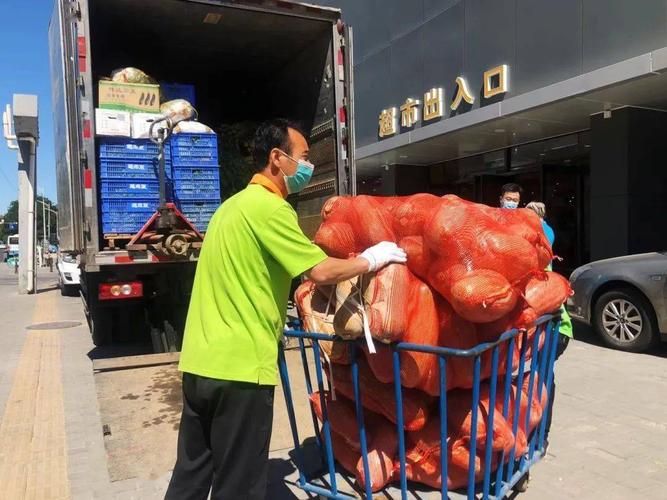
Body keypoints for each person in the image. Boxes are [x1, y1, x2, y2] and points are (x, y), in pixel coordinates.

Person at [165, 119, 407, 500]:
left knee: (191, 474)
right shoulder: (271, 209)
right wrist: (370, 260)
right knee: (239, 484)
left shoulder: (229, 208)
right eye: (305, 158)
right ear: (277, 158)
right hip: (241, 370)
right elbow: (321, 270)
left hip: (199, 363)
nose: (308, 168)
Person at [525, 200, 573, 448]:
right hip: (536, 329)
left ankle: (537, 439)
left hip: (554, 328)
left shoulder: (540, 245)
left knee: (540, 380)